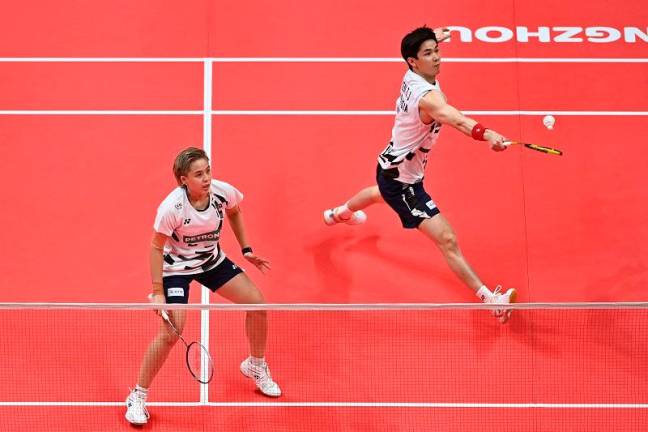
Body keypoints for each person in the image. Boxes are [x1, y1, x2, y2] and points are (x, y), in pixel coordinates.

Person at [323, 26, 517, 321]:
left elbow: (421, 46)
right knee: (447, 239)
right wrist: (486, 133)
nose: (437, 58)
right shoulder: (426, 98)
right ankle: (492, 301)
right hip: (404, 183)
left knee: (379, 193)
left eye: (437, 50)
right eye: (428, 53)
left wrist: (433, 35)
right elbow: (455, 119)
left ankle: (339, 214)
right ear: (412, 61)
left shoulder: (413, 72)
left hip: (390, 166)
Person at [125, 147, 281, 426]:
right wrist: (158, 291)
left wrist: (246, 249)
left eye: (208, 170)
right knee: (172, 333)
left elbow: (235, 211)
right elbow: (155, 246)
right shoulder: (171, 208)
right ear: (184, 179)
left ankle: (255, 365)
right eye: (199, 174)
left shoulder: (222, 192)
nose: (207, 178)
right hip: (176, 270)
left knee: (258, 305)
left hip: (211, 261)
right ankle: (137, 396)